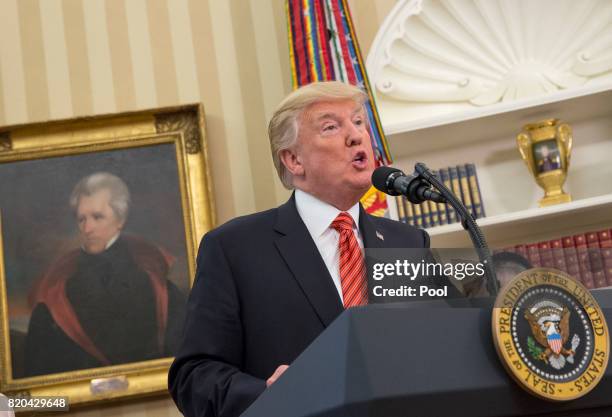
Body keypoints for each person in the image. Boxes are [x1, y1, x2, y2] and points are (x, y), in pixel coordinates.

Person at [169, 81, 455, 417]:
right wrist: (268, 394)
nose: (356, 135)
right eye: (331, 127)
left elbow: (447, 348)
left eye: (359, 122)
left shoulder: (407, 242)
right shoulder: (234, 249)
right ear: (293, 160)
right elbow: (193, 377)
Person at [24, 172, 186, 377]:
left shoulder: (150, 277)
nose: (87, 228)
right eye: (81, 219)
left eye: (97, 217)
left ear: (120, 220)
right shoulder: (60, 282)